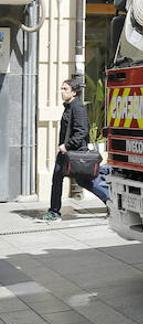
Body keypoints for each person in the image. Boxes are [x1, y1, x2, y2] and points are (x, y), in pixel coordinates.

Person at [41, 78, 109, 221]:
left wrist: (67, 145)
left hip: (75, 152)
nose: (62, 91)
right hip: (68, 153)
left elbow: (82, 131)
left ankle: (111, 202)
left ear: (74, 92)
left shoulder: (77, 108)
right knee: (62, 179)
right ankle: (54, 211)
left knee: (86, 181)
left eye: (65, 89)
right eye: (62, 88)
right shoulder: (69, 106)